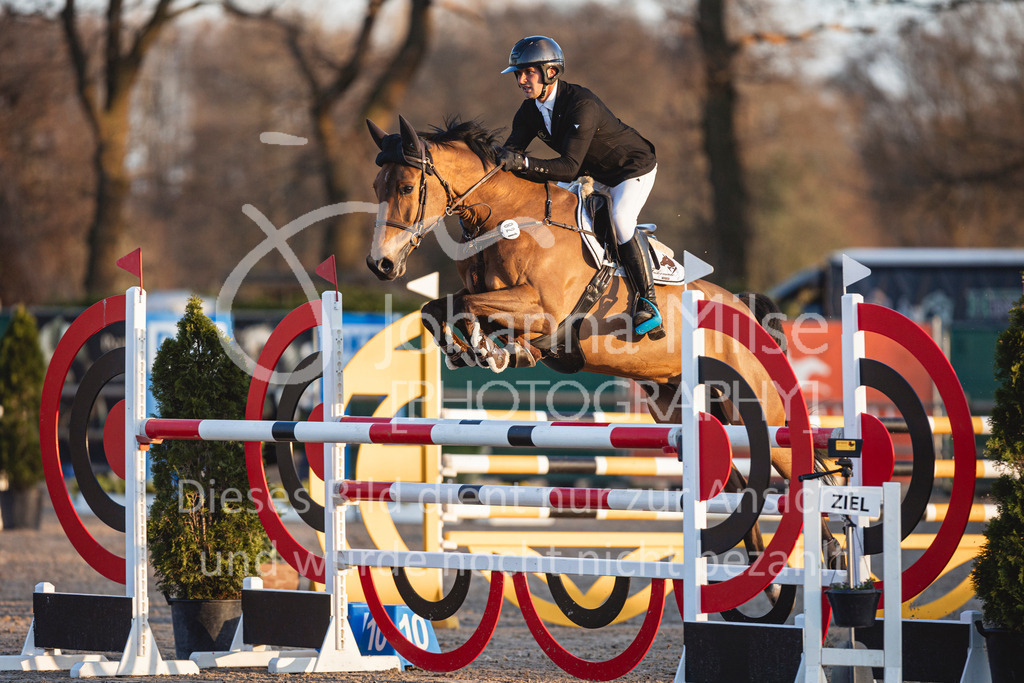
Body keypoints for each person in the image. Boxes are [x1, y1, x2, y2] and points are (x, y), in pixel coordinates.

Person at [498, 35, 664, 341]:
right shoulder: (528, 111)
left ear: (550, 72)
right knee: (555, 214)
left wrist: (521, 163)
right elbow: (510, 158)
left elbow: (568, 167)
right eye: (518, 74)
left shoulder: (581, 104)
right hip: (594, 171)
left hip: (630, 168)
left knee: (621, 219)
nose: (521, 80)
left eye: (528, 72)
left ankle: (648, 301)